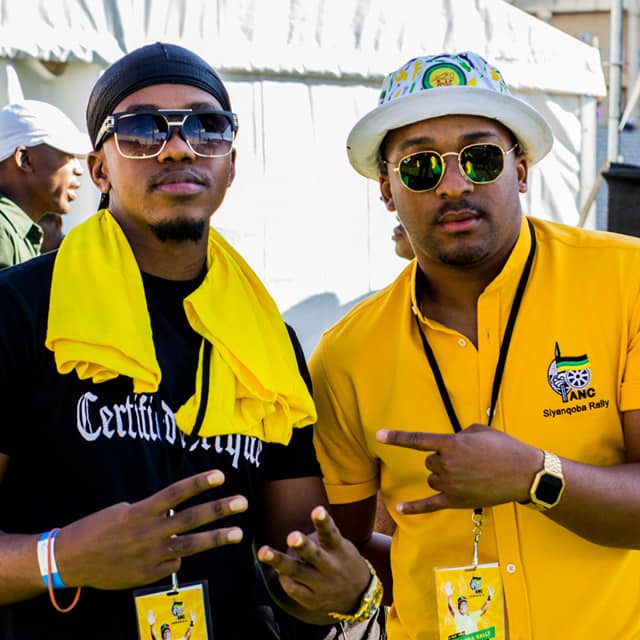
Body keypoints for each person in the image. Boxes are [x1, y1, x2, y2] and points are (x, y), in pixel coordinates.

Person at [0, 42, 381, 639]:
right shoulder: (20, 310)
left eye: (207, 127)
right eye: (141, 129)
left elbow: (296, 570)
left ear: (231, 163)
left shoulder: (266, 337)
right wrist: (62, 557)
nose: (177, 147)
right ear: (99, 170)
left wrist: (349, 591)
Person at [308, 50, 640, 640]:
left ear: (521, 170)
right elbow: (348, 548)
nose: (454, 185)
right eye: (420, 167)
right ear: (386, 190)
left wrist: (537, 477)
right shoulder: (347, 353)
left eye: (480, 158)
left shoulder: (625, 282)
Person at [0, 99, 89, 268]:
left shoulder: (17, 232)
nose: (79, 170)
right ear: (25, 160)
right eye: (68, 156)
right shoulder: (3, 233)